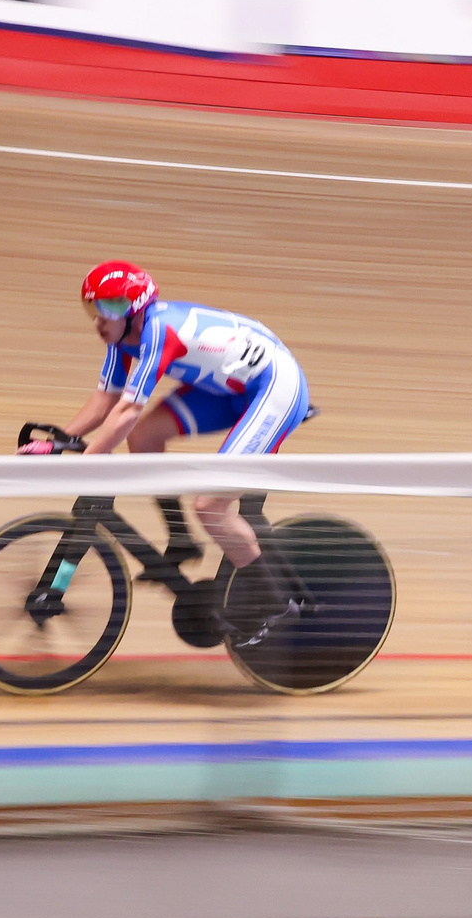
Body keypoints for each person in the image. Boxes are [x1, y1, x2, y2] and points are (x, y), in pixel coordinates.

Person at [25, 260, 311, 645]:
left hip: (274, 387)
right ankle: (181, 540)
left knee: (210, 506)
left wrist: (89, 459)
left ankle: (274, 605)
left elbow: (128, 409)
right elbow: (106, 399)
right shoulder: (122, 338)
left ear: (135, 309)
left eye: (108, 308)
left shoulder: (158, 329)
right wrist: (61, 439)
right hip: (229, 387)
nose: (98, 320)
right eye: (92, 308)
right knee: (144, 438)